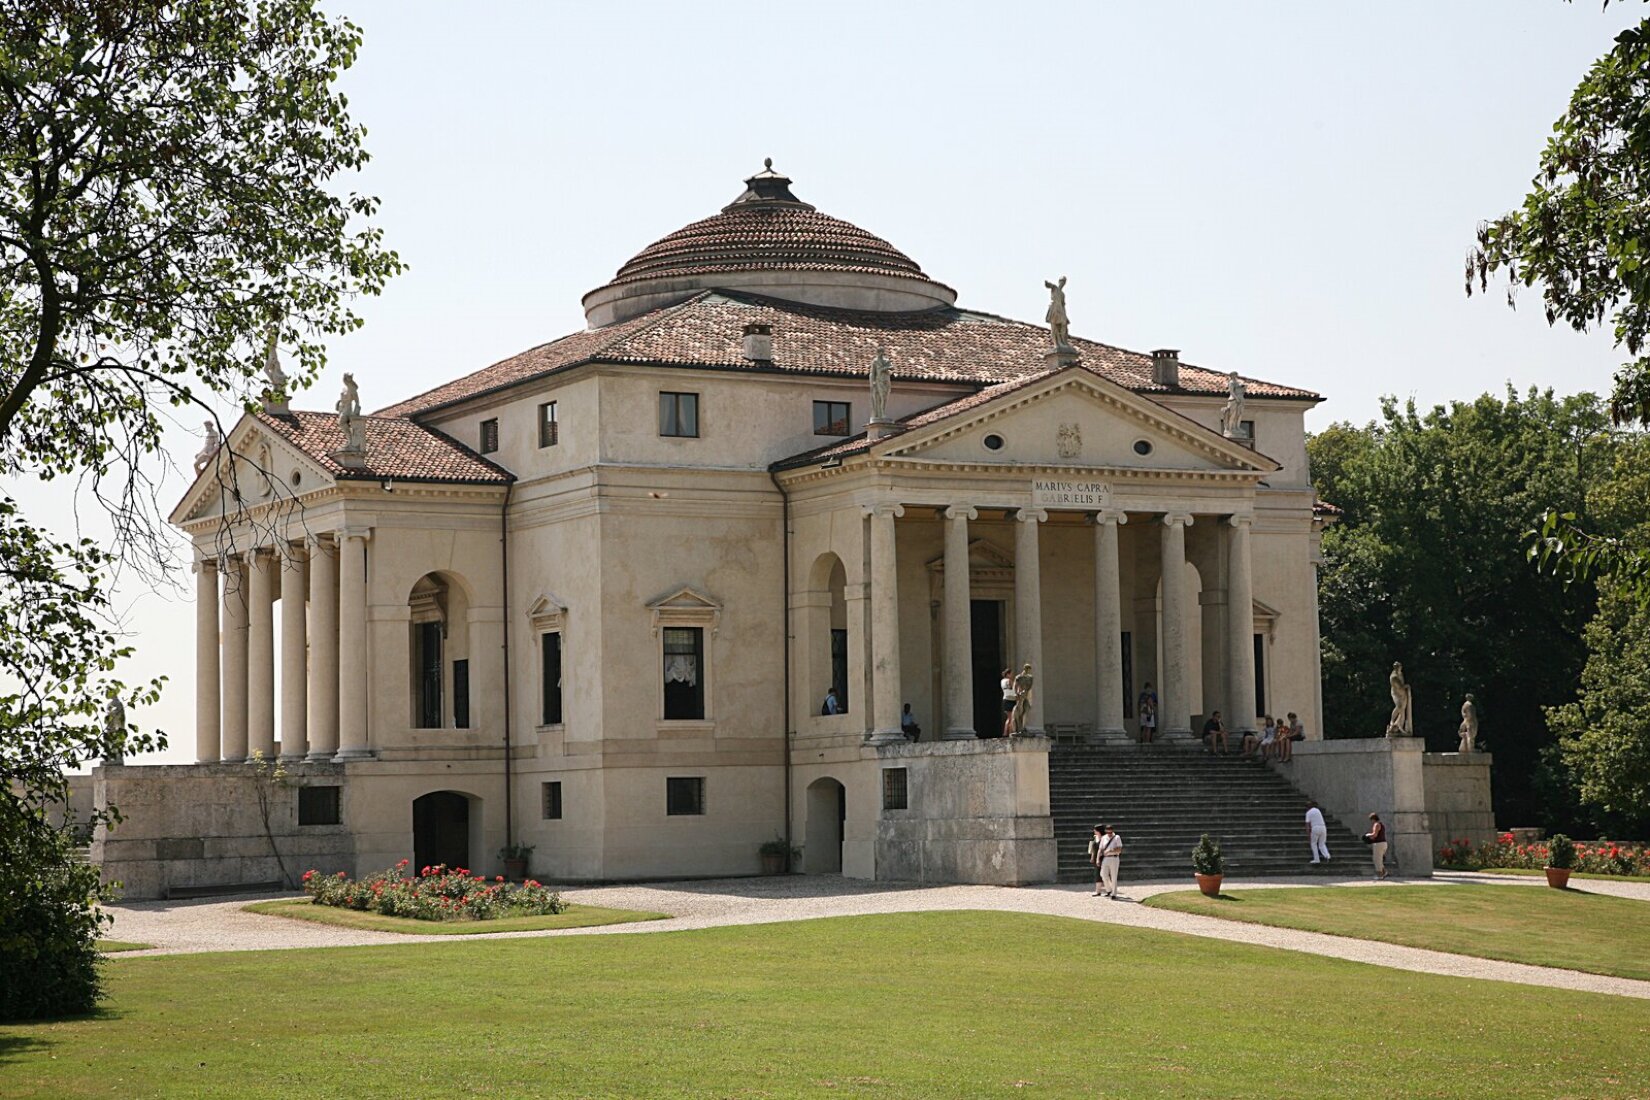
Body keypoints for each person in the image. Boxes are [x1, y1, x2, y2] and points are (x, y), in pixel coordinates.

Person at [1096, 823, 1124, 898]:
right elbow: (1100, 849)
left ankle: (1114, 893)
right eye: (1108, 832)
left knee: (1114, 876)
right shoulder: (1104, 838)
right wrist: (1097, 859)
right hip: (1106, 858)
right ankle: (1109, 890)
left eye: (1110, 832)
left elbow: (1119, 849)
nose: (1109, 834)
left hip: (1114, 857)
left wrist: (1110, 851)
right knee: (1103, 874)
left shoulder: (1117, 837)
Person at [1305, 800, 1331, 865]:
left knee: (1313, 843)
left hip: (1315, 828)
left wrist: (1308, 834)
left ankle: (1316, 859)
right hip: (1323, 827)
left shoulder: (1308, 813)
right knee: (1322, 844)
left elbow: (1307, 824)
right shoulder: (1318, 810)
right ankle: (1327, 856)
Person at [1365, 812, 1389, 880]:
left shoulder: (1376, 824)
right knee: (1379, 859)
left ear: (1373, 819)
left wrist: (1368, 835)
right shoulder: (1381, 824)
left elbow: (1375, 835)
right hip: (1383, 843)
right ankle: (1384, 872)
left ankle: (1380, 875)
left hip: (1378, 844)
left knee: (1377, 860)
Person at [1086, 824, 1106, 896]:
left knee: (1105, 874)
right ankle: (1098, 891)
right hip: (1096, 858)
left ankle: (1109, 889)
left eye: (1095, 829)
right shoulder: (1095, 838)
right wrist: (1092, 857)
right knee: (1097, 874)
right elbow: (1093, 849)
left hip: (1104, 857)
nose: (1094, 831)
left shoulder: (1105, 838)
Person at [1000, 668, 1016, 737]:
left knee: (1009, 718)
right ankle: (1010, 733)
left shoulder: (1002, 681)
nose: (1012, 675)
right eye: (1011, 673)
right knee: (1011, 718)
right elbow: (1013, 688)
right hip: (1010, 700)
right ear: (1008, 674)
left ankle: (1005, 733)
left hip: (1005, 699)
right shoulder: (1009, 680)